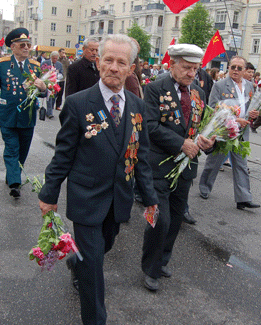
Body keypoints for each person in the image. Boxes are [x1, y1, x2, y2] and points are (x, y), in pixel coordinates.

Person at [38, 34, 158, 325]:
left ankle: (76, 260)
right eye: (108, 60)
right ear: (99, 61)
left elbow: (139, 157)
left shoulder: (138, 107)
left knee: (100, 250)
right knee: (93, 268)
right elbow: (63, 153)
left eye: (121, 62)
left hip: (119, 199)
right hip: (87, 197)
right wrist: (49, 193)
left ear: (131, 68)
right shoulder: (79, 103)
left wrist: (151, 199)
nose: (114, 67)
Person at [141, 44, 216, 291]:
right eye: (186, 68)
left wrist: (207, 142)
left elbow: (201, 130)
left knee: (175, 221)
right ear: (172, 64)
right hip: (159, 166)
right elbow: (149, 126)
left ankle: (162, 261)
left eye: (195, 69)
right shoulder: (154, 89)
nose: (191, 73)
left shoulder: (198, 94)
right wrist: (180, 144)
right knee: (160, 219)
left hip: (185, 169)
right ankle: (150, 268)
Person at [0, 28, 47, 198]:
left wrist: (43, 89)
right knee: (11, 149)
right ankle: (15, 183)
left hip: (27, 116)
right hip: (8, 115)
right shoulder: (2, 64)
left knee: (22, 151)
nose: (26, 48)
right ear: (13, 47)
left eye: (28, 45)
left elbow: (41, 93)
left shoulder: (35, 66)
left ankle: (12, 174)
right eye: (22, 45)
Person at [199, 56, 260, 210]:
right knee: (215, 161)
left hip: (242, 132)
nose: (235, 70)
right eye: (233, 67)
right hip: (224, 130)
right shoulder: (220, 85)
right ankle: (205, 187)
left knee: (241, 164)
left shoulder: (250, 86)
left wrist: (254, 114)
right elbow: (213, 108)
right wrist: (234, 119)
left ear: (245, 70)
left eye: (239, 68)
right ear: (229, 68)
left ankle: (243, 198)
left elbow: (251, 107)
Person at [41, 51, 63, 119]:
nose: (55, 60)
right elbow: (41, 71)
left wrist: (56, 75)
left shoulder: (59, 64)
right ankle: (49, 113)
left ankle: (51, 109)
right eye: (53, 58)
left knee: (54, 97)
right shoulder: (45, 63)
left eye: (56, 58)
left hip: (55, 83)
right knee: (49, 97)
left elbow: (62, 74)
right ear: (51, 57)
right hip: (48, 83)